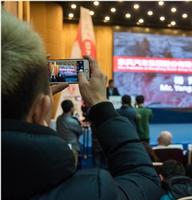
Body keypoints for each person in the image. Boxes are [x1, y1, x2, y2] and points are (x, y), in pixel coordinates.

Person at [2, 11, 160, 200]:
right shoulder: (92, 192)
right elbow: (144, 180)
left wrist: (35, 97)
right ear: (40, 109)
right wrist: (101, 105)